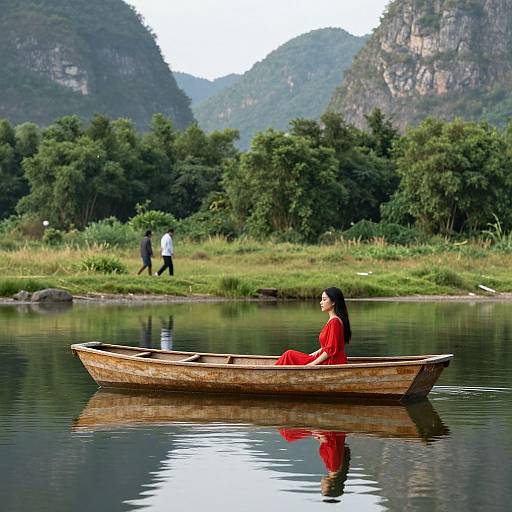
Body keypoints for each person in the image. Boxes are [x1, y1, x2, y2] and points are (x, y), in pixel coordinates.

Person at [275, 287, 351, 366]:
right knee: (289, 354)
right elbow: (326, 347)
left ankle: (274, 373)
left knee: (289, 354)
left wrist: (311, 364)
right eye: (321, 299)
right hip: (329, 359)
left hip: (332, 362)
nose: (321, 302)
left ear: (333, 302)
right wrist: (311, 355)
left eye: (324, 299)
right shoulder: (333, 320)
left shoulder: (335, 322)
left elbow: (330, 350)